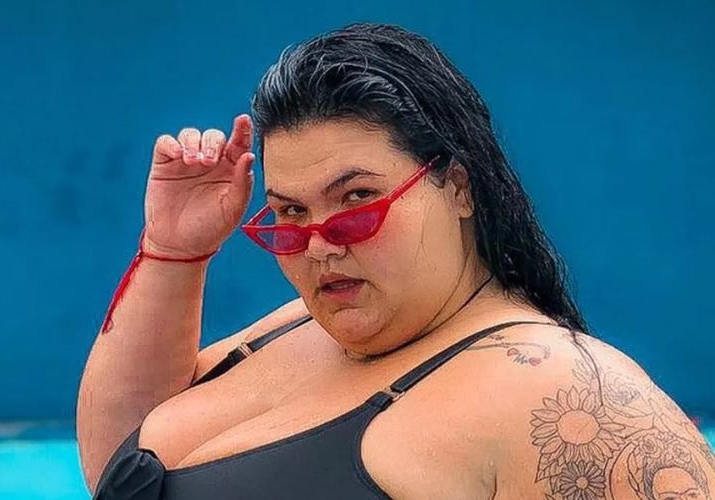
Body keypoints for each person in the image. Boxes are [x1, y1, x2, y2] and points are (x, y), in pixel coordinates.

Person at [77, 22, 714, 499]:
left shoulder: (572, 396)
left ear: (458, 186)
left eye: (358, 199)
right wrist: (174, 250)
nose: (321, 243)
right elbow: (117, 459)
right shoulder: (300, 328)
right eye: (291, 212)